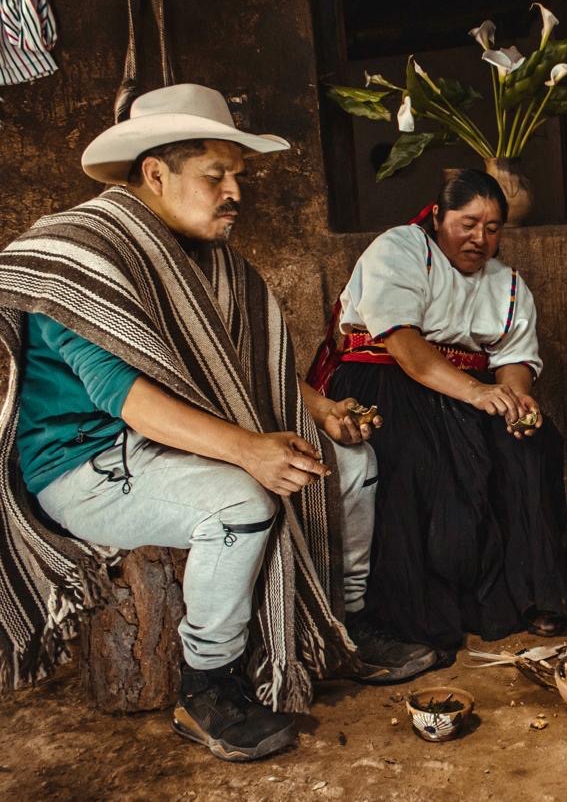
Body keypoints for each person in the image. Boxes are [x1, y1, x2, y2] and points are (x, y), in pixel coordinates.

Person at [0, 84, 434, 763]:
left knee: (349, 466)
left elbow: (242, 370)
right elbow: (129, 396)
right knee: (242, 501)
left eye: (238, 175)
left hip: (172, 443)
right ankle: (207, 686)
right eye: (216, 175)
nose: (236, 191)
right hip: (89, 465)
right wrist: (250, 453)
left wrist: (322, 412)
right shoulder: (84, 259)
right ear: (155, 174)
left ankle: (342, 629)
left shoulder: (204, 258)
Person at [308, 169, 567, 651]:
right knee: (417, 456)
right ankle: (408, 616)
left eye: (492, 228)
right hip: (385, 378)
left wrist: (515, 397)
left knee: (532, 444)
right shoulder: (403, 248)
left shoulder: (507, 282)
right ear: (436, 216)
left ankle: (531, 595)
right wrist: (475, 393)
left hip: (460, 390)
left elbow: (513, 358)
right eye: (467, 223)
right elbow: (405, 346)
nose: (479, 238)